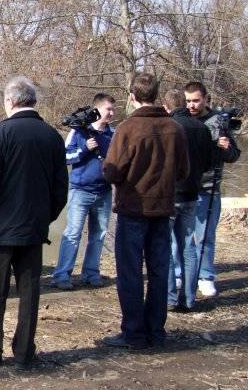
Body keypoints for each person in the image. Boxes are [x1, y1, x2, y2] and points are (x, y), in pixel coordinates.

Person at [0, 76, 67, 369]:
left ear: (9, 101)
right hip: (33, 228)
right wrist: (45, 217)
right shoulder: (53, 135)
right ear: (33, 101)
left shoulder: (1, 133)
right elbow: (61, 189)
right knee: (30, 293)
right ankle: (23, 353)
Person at [101, 73, 188, 349]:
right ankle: (156, 331)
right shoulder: (175, 128)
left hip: (132, 209)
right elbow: (184, 171)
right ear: (157, 95)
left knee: (130, 271)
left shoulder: (128, 128)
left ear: (132, 96)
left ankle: (134, 333)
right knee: (160, 270)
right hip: (162, 209)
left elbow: (112, 172)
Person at [51, 93, 116, 290]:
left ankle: (91, 273)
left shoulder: (112, 134)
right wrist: (85, 149)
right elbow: (64, 157)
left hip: (104, 191)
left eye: (113, 110)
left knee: (99, 234)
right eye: (108, 109)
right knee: (73, 233)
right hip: (80, 191)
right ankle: (61, 276)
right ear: (97, 110)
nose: (112, 113)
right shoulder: (79, 132)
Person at [184, 81, 241, 298]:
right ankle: (182, 274)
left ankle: (205, 276)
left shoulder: (219, 122)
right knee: (183, 236)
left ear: (206, 99)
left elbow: (234, 156)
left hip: (209, 188)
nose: (192, 105)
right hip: (185, 187)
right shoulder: (182, 119)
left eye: (196, 100)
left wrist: (227, 148)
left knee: (206, 236)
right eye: (188, 100)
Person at [160, 89, 215, 312]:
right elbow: (209, 163)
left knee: (165, 245)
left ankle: (171, 297)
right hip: (193, 193)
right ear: (185, 104)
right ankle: (190, 298)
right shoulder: (202, 129)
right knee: (188, 246)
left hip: (170, 195)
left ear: (166, 107)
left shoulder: (167, 128)